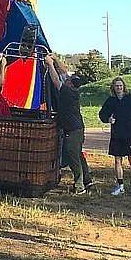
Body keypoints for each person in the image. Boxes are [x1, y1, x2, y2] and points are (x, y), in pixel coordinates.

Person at [44, 56, 91, 195]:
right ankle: (87, 179)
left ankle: (80, 185)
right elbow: (64, 73)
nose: (67, 79)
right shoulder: (73, 90)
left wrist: (50, 65)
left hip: (73, 131)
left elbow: (56, 80)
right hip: (78, 129)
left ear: (71, 84)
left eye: (69, 80)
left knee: (73, 157)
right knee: (78, 155)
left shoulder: (68, 92)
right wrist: (55, 59)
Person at [99, 76, 131, 196]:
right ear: (113, 87)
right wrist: (108, 119)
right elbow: (102, 114)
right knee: (118, 160)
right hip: (117, 135)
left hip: (129, 135)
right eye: (116, 86)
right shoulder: (110, 100)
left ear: (124, 87)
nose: (119, 88)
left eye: (120, 86)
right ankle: (120, 185)